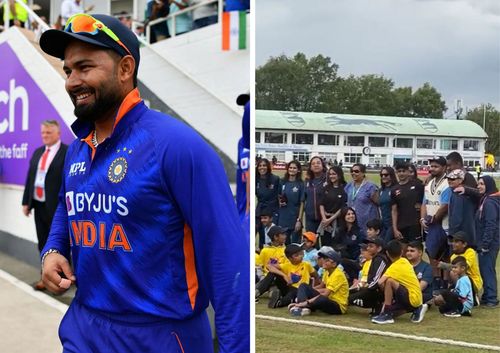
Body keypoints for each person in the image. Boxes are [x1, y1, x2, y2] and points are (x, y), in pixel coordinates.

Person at [38, 14, 248, 352]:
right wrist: (53, 249)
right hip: (83, 328)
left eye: (85, 67)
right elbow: (67, 203)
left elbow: (228, 266)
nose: (72, 81)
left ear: (125, 68)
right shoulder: (78, 147)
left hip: (160, 337)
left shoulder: (177, 146)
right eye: (68, 70)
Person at [22, 120, 68, 290]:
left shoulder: (67, 152)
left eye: (48, 133)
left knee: (59, 243)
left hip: (58, 207)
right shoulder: (38, 153)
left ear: (58, 134)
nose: (45, 136)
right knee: (42, 242)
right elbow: (30, 178)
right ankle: (45, 277)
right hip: (39, 205)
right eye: (43, 133)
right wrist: (26, 202)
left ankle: (62, 280)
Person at [372, 240, 426, 324]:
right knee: (393, 312)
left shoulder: (394, 267)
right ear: (401, 252)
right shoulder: (405, 261)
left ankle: (386, 313)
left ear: (387, 253)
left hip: (411, 298)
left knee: (389, 281)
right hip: (416, 298)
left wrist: (386, 290)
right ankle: (417, 309)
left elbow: (379, 282)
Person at [420, 156, 451, 290]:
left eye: (436, 166)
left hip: (443, 225)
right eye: (431, 166)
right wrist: (422, 219)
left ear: (444, 168)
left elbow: (445, 205)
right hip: (430, 225)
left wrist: (433, 218)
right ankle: (437, 281)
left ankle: (445, 282)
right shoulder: (429, 183)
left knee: (445, 256)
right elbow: (424, 203)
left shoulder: (447, 183)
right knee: (433, 255)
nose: (432, 168)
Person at [291, 248, 349, 316]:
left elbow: (325, 294)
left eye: (327, 260)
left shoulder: (338, 275)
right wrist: (307, 292)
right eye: (324, 259)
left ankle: (303, 306)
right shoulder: (327, 271)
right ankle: (301, 307)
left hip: (338, 306)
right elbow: (321, 286)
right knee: (303, 285)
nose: (324, 261)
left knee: (322, 298)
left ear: (334, 264)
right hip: (328, 299)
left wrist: (306, 302)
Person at [267, 243, 319, 309]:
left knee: (293, 293)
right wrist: (284, 275)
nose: (300, 256)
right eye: (296, 255)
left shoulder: (306, 265)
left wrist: (314, 288)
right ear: (290, 258)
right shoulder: (287, 265)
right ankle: (258, 291)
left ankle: (279, 302)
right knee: (272, 273)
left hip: (301, 290)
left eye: (301, 254)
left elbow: (316, 276)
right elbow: (269, 266)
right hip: (289, 288)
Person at [439, 231, 483, 305]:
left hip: (473, 281)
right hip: (459, 281)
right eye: (452, 242)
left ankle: (469, 296)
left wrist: (445, 266)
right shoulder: (453, 256)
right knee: (440, 300)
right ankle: (458, 295)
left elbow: (464, 267)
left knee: (453, 272)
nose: (453, 244)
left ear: (464, 244)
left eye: (456, 242)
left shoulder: (470, 252)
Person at [475, 176, 499, 307]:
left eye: (481, 184)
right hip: (487, 241)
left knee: (487, 269)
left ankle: (491, 298)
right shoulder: (487, 199)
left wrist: (485, 244)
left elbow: (491, 224)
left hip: (488, 243)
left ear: (488, 185)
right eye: (478, 183)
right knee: (485, 269)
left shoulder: (489, 202)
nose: (478, 186)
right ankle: (487, 296)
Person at [349, 237, 388, 316]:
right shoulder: (374, 259)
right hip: (372, 287)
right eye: (368, 246)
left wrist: (366, 289)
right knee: (349, 294)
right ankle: (376, 305)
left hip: (377, 290)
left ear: (379, 248)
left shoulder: (380, 259)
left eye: (371, 246)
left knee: (350, 298)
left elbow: (377, 279)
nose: (368, 248)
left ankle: (378, 304)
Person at [391, 161, 424, 246]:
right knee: (403, 252)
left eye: (403, 171)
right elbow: (394, 210)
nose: (401, 173)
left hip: (415, 225)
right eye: (399, 171)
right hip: (401, 225)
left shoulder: (417, 185)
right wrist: (395, 229)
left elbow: (425, 201)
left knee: (415, 250)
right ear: (396, 173)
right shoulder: (394, 189)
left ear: (408, 172)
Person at [345, 163, 379, 234]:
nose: (353, 173)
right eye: (352, 171)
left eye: (356, 171)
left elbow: (378, 203)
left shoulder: (370, 187)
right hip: (353, 221)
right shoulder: (349, 185)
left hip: (367, 222)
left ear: (363, 173)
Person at [255, 225, 288, 300]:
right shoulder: (265, 251)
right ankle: (271, 291)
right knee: (273, 291)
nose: (285, 236)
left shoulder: (286, 250)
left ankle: (256, 292)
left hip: (281, 278)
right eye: (282, 234)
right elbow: (259, 267)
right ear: (276, 237)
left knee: (273, 271)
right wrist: (262, 278)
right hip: (267, 279)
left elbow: (287, 266)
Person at [447, 169, 477, 247]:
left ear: (460, 180)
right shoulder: (465, 192)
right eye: (448, 178)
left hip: (460, 237)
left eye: (453, 179)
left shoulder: (458, 194)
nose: (449, 181)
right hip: (467, 235)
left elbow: (456, 218)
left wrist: (451, 235)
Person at [318, 166, 347, 246]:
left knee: (335, 245)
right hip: (325, 222)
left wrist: (330, 219)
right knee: (325, 245)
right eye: (330, 174)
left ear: (339, 175)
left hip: (338, 222)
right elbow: (321, 204)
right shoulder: (326, 188)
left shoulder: (344, 188)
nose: (331, 176)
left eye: (334, 174)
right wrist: (324, 219)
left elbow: (343, 207)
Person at [278, 160, 305, 244]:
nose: (292, 169)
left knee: (295, 245)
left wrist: (299, 220)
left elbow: (302, 203)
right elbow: (276, 196)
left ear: (298, 170)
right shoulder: (282, 182)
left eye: (294, 168)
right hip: (282, 218)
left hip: (294, 218)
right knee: (283, 243)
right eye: (290, 167)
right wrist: (279, 201)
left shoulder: (301, 184)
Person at [256, 158, 280, 248]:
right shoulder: (255, 179)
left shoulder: (275, 179)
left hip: (272, 210)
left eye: (264, 165)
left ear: (268, 167)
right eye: (260, 166)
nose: (262, 168)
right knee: (261, 233)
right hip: (260, 209)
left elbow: (280, 195)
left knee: (272, 235)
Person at [303, 156, 327, 233]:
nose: (316, 165)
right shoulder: (307, 181)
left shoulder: (329, 179)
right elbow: (303, 199)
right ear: (310, 167)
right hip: (310, 218)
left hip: (325, 218)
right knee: (311, 242)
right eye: (313, 164)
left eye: (318, 163)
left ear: (323, 166)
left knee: (326, 243)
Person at [378, 166, 397, 242]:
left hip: (392, 224)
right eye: (381, 175)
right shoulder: (381, 190)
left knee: (386, 245)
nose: (383, 177)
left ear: (391, 175)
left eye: (386, 175)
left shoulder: (395, 189)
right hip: (383, 223)